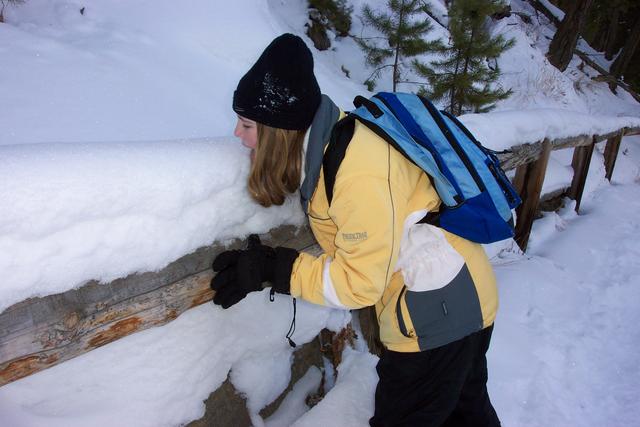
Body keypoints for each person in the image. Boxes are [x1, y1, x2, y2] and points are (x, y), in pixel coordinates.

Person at [211, 33, 501, 427]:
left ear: (280, 131)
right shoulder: (334, 146)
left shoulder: (356, 170)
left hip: (437, 315)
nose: (236, 134)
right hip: (456, 297)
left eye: (246, 124)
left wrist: (276, 269)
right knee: (466, 415)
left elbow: (361, 283)